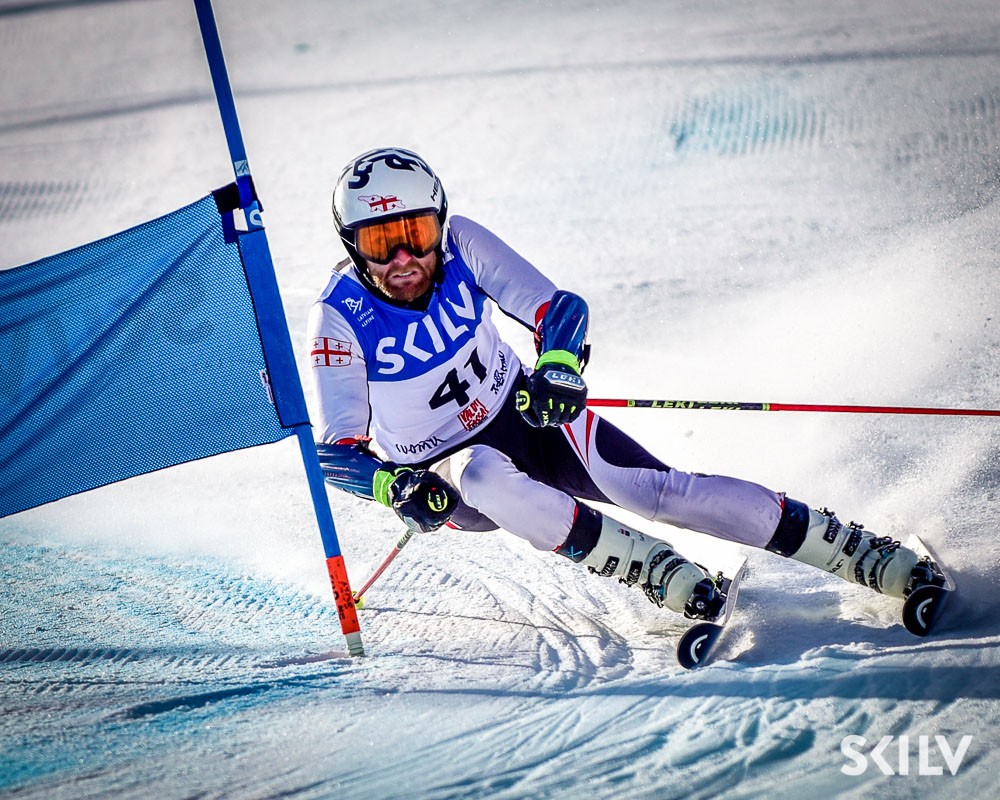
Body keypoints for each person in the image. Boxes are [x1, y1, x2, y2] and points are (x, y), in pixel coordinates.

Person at [307, 146, 944, 623]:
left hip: (527, 414)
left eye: (416, 235)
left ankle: (857, 552)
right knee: (481, 474)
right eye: (380, 243)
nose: (403, 259)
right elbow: (336, 454)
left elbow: (557, 307)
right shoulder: (339, 317)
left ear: (438, 223)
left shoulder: (462, 244)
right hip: (448, 476)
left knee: (653, 489)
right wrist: (395, 487)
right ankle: (653, 569)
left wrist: (559, 368)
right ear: (352, 246)